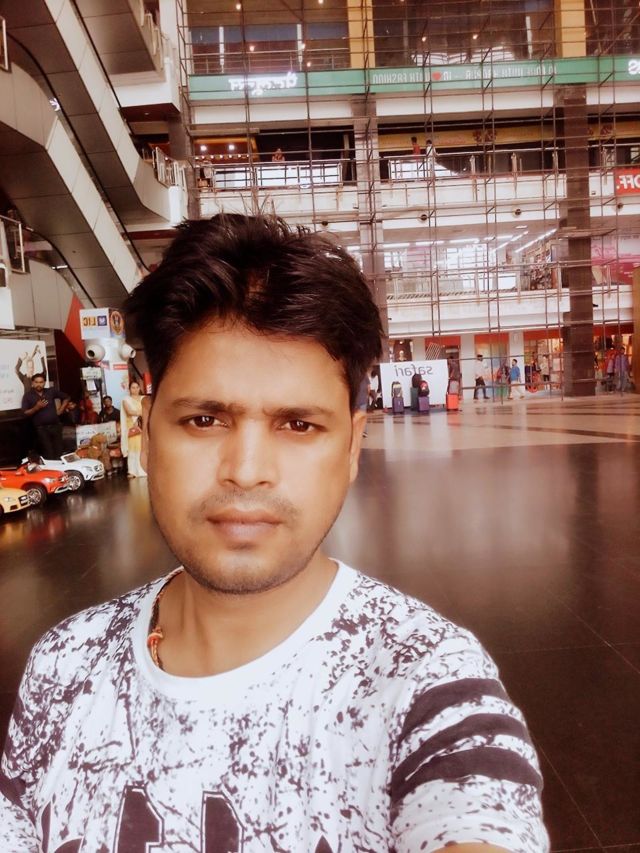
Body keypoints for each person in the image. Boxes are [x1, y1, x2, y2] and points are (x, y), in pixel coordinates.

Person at [1, 215, 548, 852]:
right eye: (204, 420)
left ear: (353, 446)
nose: (247, 471)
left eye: (298, 425)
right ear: (146, 433)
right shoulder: (64, 667)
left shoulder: (420, 682)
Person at [20, 372, 70, 459]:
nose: (38, 384)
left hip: (56, 426)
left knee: (59, 452)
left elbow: (67, 397)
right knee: (48, 453)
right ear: (32, 383)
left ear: (44, 383)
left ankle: (59, 467)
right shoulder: (28, 396)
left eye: (41, 382)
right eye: (36, 382)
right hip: (41, 429)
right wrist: (36, 407)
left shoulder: (50, 391)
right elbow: (25, 413)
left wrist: (60, 410)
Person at [120, 380, 146, 478]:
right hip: (132, 427)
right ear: (129, 389)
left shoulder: (144, 399)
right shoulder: (126, 400)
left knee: (143, 447)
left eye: (137, 387)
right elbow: (129, 412)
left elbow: (148, 410)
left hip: (143, 426)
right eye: (133, 387)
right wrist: (141, 412)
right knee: (133, 448)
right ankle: (132, 471)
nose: (135, 389)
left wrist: (140, 414)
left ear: (139, 388)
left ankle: (144, 469)